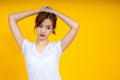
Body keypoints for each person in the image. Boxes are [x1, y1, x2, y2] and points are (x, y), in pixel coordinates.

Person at [8, 6, 79, 80]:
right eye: (40, 26)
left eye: (48, 28)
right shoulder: (26, 47)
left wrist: (54, 12)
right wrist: (37, 11)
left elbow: (75, 26)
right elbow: (11, 18)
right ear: (35, 25)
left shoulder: (57, 47)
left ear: (52, 30)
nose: (43, 31)